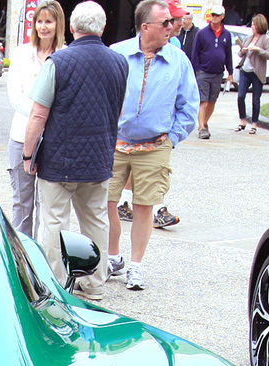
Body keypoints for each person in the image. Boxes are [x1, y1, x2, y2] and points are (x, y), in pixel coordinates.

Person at [22, 1, 128, 302]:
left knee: (53, 221)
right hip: (99, 159)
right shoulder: (120, 63)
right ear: (103, 27)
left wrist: (29, 155)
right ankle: (95, 283)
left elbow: (38, 116)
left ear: (70, 27)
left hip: (59, 160)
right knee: (95, 221)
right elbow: (117, 110)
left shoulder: (58, 62)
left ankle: (54, 285)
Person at [105, 0, 196, 291]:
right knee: (104, 201)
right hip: (114, 144)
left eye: (173, 22)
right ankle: (112, 257)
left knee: (145, 206)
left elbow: (189, 105)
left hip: (155, 146)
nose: (172, 26)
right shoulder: (117, 54)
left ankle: (136, 266)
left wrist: (171, 139)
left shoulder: (179, 59)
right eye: (165, 22)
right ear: (145, 27)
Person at [5, 0, 63, 239]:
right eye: (39, 21)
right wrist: (41, 115)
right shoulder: (21, 54)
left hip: (53, 140)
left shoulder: (65, 55)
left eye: (48, 21)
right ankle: (20, 256)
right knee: (22, 202)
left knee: (48, 205)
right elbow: (15, 96)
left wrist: (45, 119)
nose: (43, 27)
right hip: (21, 136)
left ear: (58, 23)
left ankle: (43, 257)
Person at [187, 3, 234, 139]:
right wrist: (196, 70)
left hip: (218, 72)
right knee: (204, 100)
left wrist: (230, 73)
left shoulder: (226, 35)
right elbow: (195, 53)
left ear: (222, 16)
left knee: (212, 101)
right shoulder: (202, 33)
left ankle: (205, 123)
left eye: (217, 15)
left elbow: (228, 54)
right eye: (213, 15)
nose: (214, 17)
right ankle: (201, 127)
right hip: (203, 71)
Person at [233, 13, 269, 132]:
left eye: (254, 24)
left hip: (257, 73)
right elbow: (241, 53)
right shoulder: (248, 38)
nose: (252, 26)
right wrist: (243, 50)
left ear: (259, 25)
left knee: (255, 100)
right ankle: (242, 121)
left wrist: (258, 50)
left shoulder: (265, 39)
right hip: (245, 71)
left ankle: (254, 124)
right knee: (240, 96)